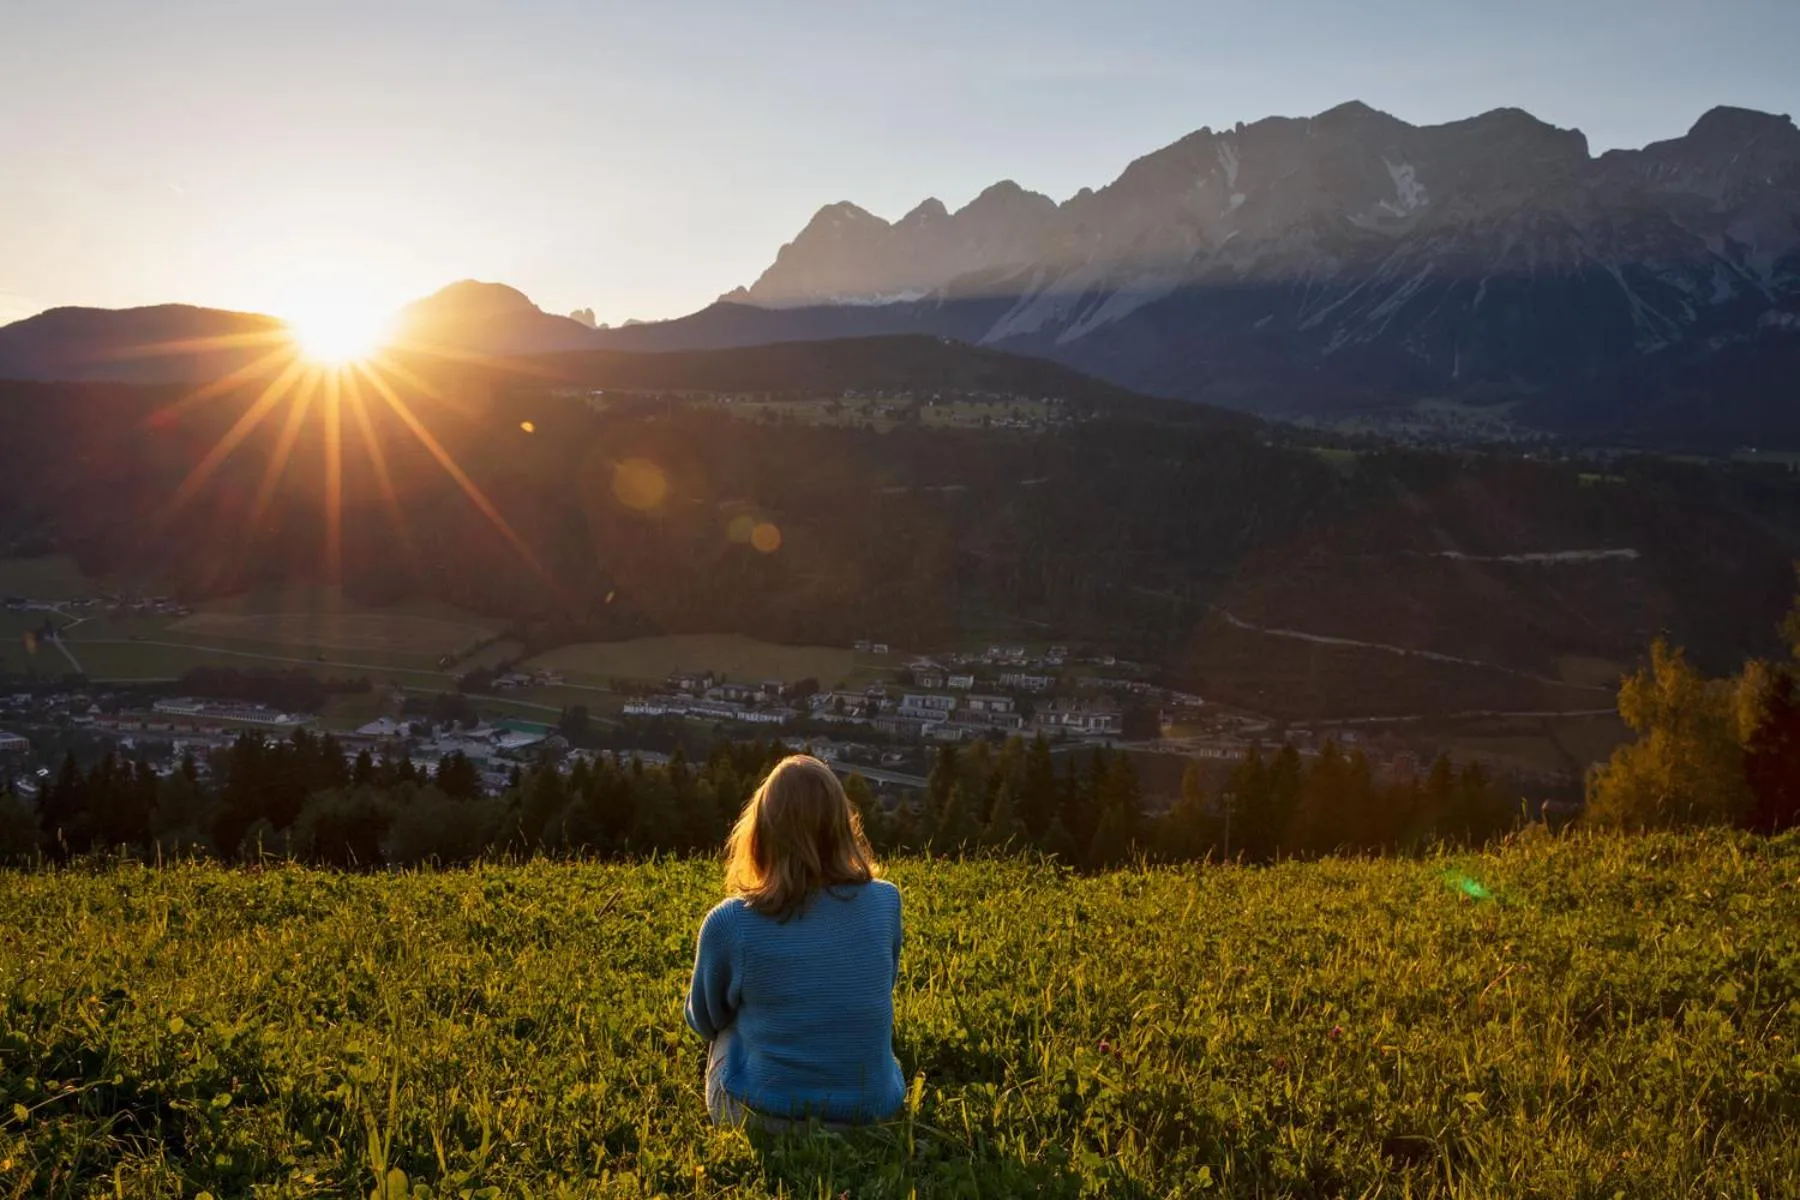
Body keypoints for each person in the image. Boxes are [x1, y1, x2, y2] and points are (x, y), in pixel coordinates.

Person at [684, 753, 905, 1129]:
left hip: (764, 1115)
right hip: (871, 1111)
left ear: (761, 829)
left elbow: (705, 1020)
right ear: (841, 825)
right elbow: (884, 983)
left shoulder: (731, 922)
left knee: (730, 1025)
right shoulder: (885, 902)